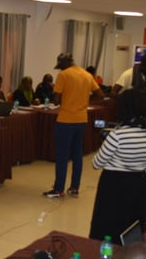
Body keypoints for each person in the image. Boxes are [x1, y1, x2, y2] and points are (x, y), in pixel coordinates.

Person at [89, 89, 146, 242]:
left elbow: (96, 163)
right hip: (138, 184)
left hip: (113, 183)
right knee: (130, 225)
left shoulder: (117, 135)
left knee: (106, 225)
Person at [44, 52, 101, 199]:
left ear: (64, 63)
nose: (59, 69)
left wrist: (54, 90)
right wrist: (85, 102)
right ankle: (74, 188)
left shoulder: (64, 75)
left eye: (60, 66)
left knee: (62, 156)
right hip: (82, 120)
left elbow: (56, 101)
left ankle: (58, 189)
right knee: (77, 155)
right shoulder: (87, 75)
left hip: (65, 120)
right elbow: (100, 95)